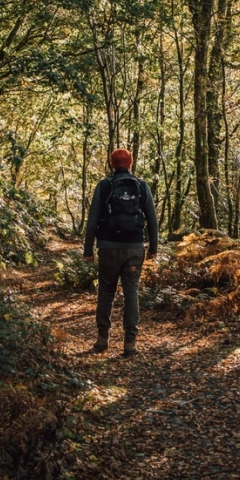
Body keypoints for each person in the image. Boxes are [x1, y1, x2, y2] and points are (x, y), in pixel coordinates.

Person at [83, 148, 158, 356]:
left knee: (106, 292)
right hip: (134, 248)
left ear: (111, 164)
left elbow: (93, 220)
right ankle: (130, 343)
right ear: (131, 162)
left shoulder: (104, 186)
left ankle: (102, 339)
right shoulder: (141, 186)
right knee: (131, 293)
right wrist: (153, 248)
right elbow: (152, 219)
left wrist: (88, 250)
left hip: (107, 247)